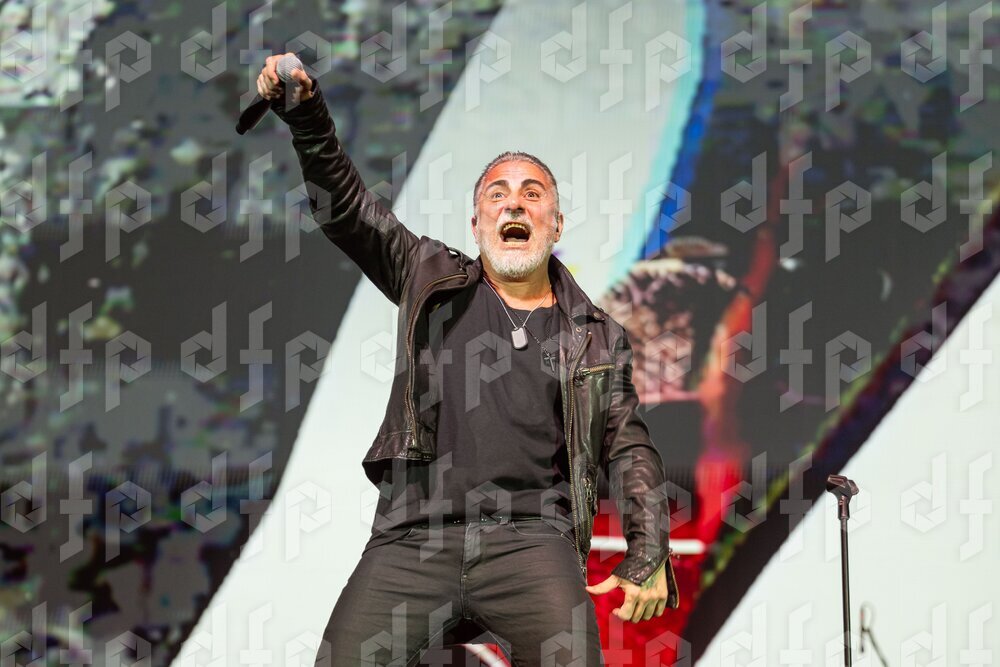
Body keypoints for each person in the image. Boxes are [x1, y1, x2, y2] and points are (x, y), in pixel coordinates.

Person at [257, 54, 679, 666]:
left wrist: (649, 547)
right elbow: (347, 209)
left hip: (532, 542)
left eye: (532, 195)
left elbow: (628, 446)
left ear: (556, 224)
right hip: (414, 537)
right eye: (497, 195)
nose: (514, 206)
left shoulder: (594, 336)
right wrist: (306, 114)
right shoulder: (427, 276)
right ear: (476, 223)